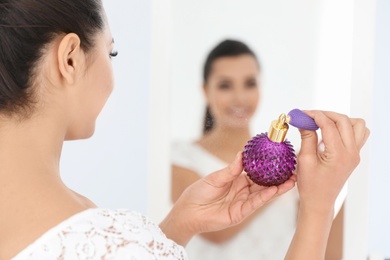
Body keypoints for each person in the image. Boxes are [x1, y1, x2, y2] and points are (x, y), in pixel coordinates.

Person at [0, 1, 369, 259]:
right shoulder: (103, 231)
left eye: (249, 83)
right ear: (68, 59)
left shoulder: (96, 231)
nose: (239, 96)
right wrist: (318, 207)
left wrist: (176, 226)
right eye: (111, 53)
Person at [171, 40, 344, 259]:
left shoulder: (294, 163)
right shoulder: (179, 157)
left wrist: (338, 179)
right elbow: (215, 232)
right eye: (225, 85)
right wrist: (281, 175)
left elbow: (326, 250)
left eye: (250, 83)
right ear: (205, 90)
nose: (240, 97)